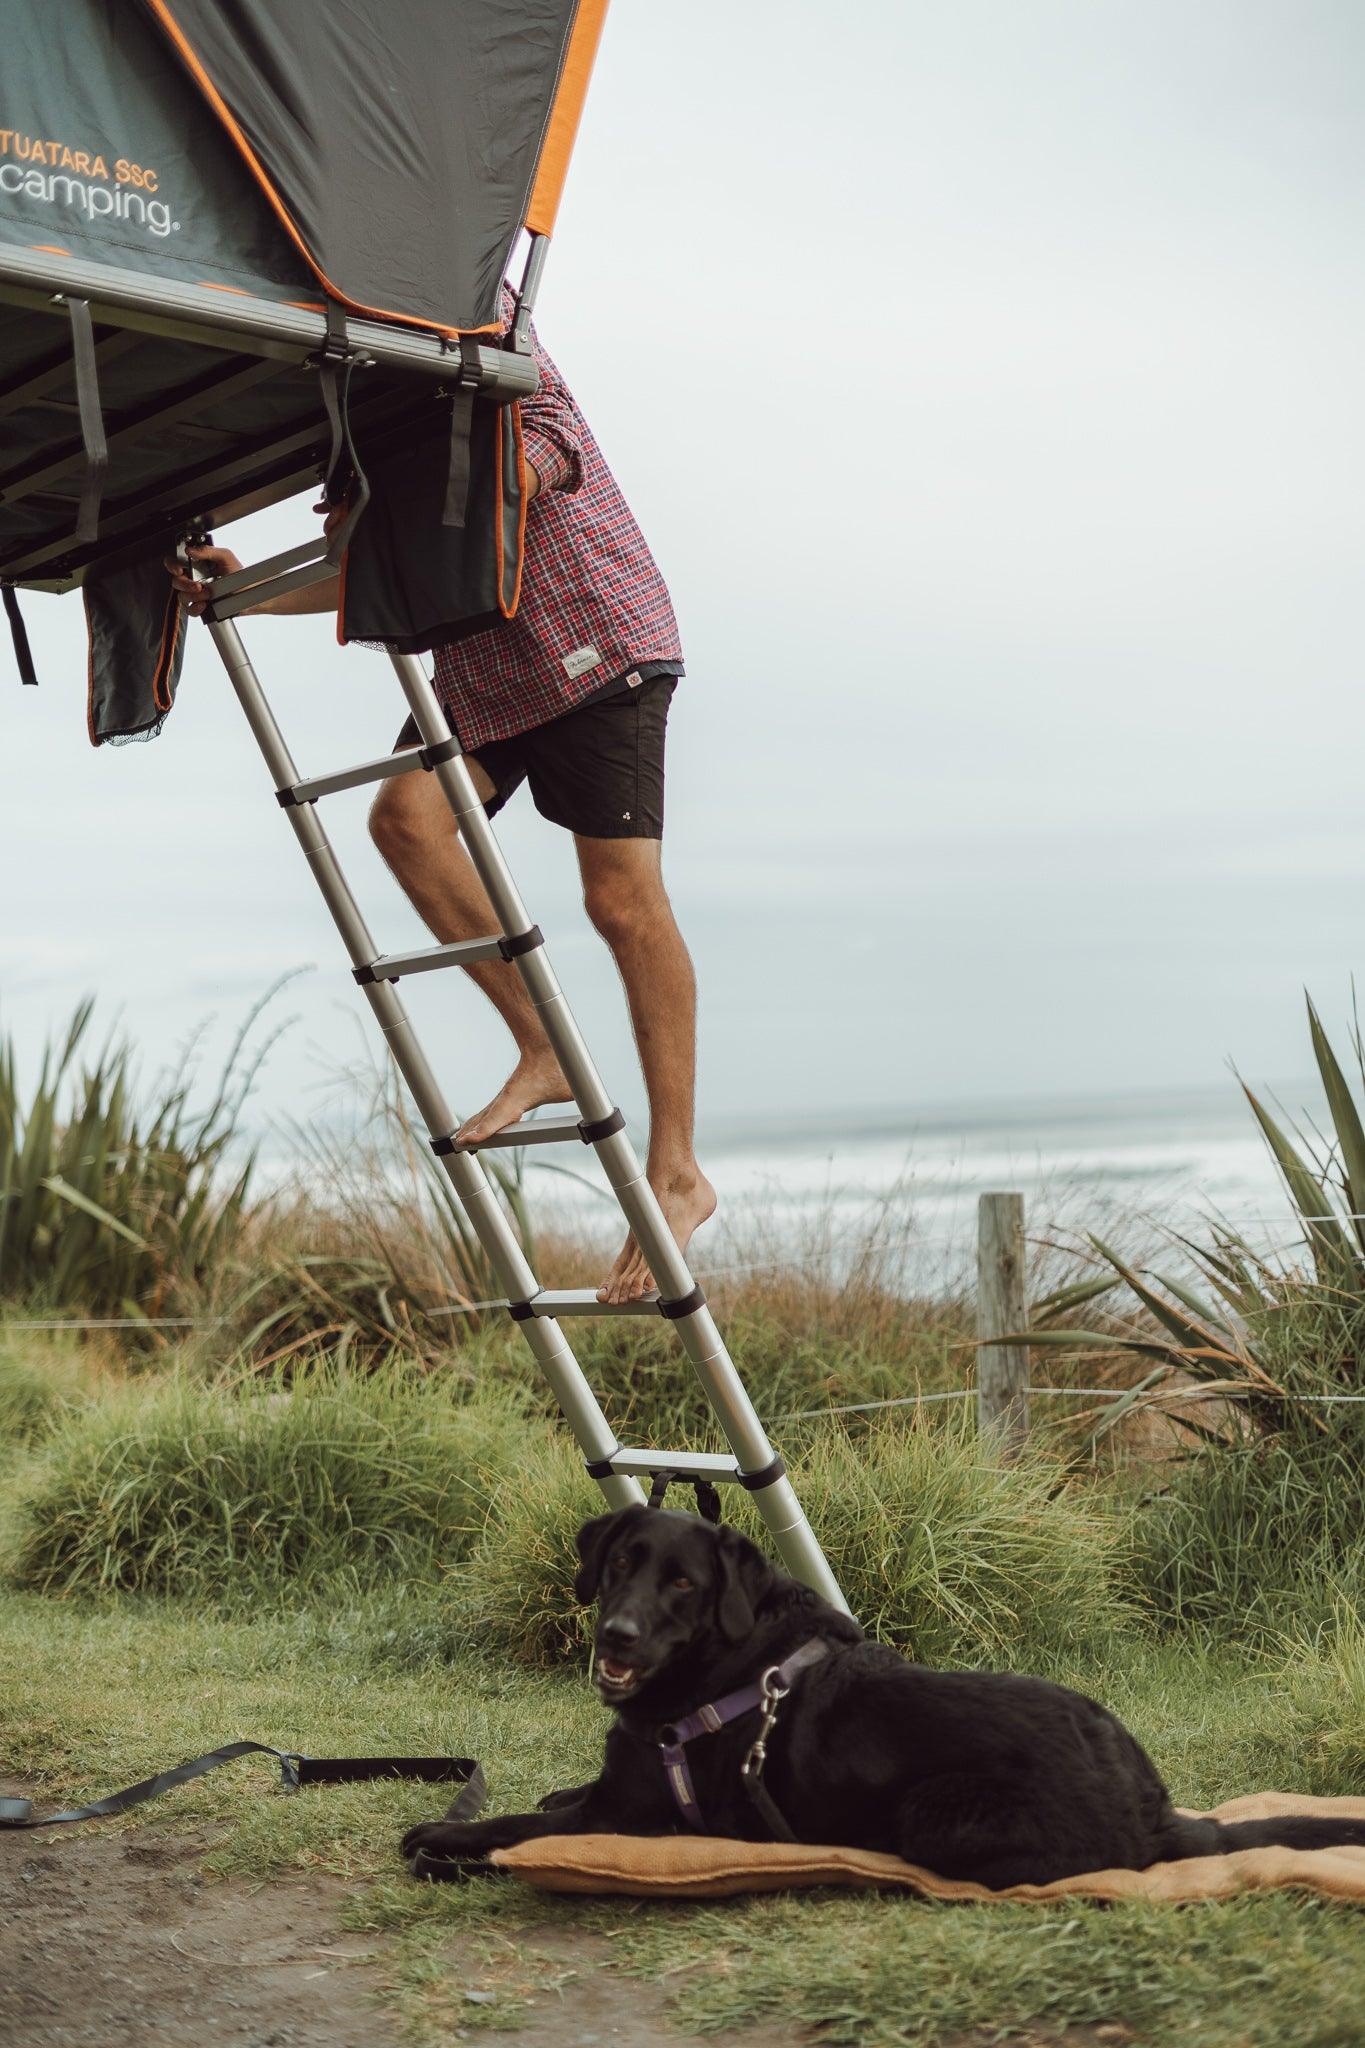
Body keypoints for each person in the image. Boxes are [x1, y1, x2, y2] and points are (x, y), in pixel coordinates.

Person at [169, 300, 714, 1304]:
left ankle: (678, 1170)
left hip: (592, 635)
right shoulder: (351, 382)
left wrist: (470, 483)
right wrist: (241, 590)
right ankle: (541, 1041)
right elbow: (362, 562)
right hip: (484, 669)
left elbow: (548, 441)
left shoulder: (469, 298)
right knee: (404, 821)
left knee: (620, 901)